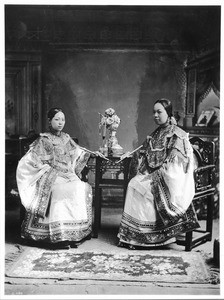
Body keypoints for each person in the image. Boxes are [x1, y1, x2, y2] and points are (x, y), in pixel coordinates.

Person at [16, 107, 105, 249]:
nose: (60, 122)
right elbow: (32, 159)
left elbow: (78, 152)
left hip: (68, 174)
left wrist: (92, 154)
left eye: (62, 119)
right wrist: (48, 170)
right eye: (56, 119)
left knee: (80, 187)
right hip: (52, 175)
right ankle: (59, 235)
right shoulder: (43, 139)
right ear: (50, 121)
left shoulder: (66, 138)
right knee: (60, 191)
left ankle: (76, 231)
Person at [117, 98, 200, 249]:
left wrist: (154, 177)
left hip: (172, 179)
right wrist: (135, 155)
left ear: (168, 113)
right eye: (154, 112)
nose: (155, 115)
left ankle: (153, 236)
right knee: (134, 183)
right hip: (157, 174)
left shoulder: (176, 134)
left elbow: (175, 166)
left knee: (141, 187)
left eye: (159, 112)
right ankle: (134, 235)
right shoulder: (156, 133)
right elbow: (148, 156)